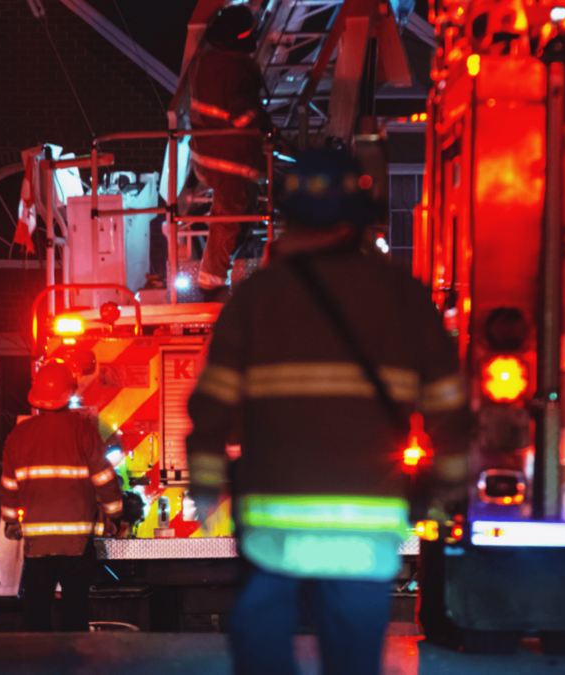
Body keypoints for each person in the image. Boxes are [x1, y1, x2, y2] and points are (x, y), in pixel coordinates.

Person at [187, 148, 469, 675]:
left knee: (261, 640)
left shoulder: (254, 300)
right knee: (354, 656)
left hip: (273, 525)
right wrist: (446, 500)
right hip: (366, 526)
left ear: (290, 218)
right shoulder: (406, 300)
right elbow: (450, 416)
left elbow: (210, 410)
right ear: (362, 219)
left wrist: (207, 493)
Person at [0, 361, 123, 632]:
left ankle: (37, 664)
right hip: (77, 545)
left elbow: (9, 486)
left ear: (38, 397)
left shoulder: (19, 436)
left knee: (36, 611)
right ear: (69, 394)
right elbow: (104, 479)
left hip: (37, 545)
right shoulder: (84, 431)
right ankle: (72, 664)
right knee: (75, 610)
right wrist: (115, 515)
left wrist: (11, 522)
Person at [186, 5, 273, 296]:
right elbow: (243, 117)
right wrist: (266, 125)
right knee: (229, 220)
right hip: (230, 159)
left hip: (205, 155)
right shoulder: (236, 69)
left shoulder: (203, 62)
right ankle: (210, 286)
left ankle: (217, 278)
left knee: (240, 212)